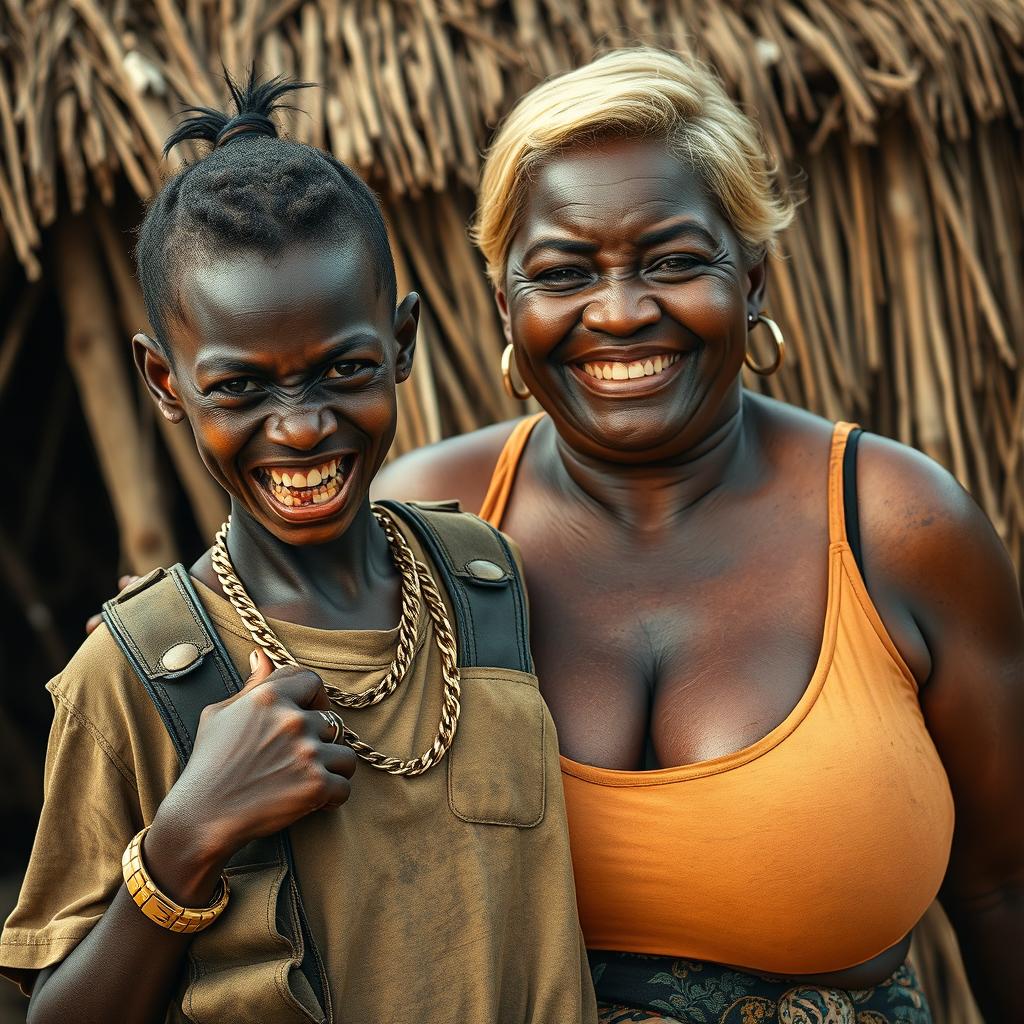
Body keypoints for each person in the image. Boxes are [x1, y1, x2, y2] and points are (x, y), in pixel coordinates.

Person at [374, 48, 1024, 1023]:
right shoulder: (426, 523)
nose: (622, 312)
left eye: (674, 262)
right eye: (561, 272)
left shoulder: (898, 524)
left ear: (754, 280)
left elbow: (1003, 886)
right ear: (505, 302)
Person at [0, 75, 597, 1024]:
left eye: (344, 370)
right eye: (239, 389)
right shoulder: (136, 673)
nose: (302, 427)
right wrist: (187, 838)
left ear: (402, 343)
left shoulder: (487, 584)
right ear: (165, 382)